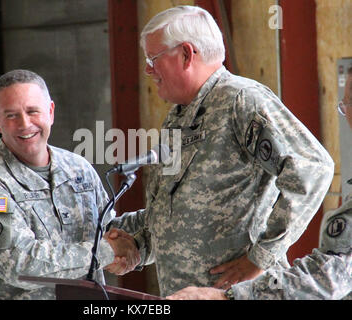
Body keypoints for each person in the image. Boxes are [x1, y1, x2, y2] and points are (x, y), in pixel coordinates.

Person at [106, 5, 335, 298]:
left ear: (187, 54)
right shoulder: (179, 116)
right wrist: (137, 246)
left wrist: (261, 257)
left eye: (153, 59)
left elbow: (312, 167)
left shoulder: (241, 100)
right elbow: (173, 214)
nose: (148, 69)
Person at [0, 69, 139, 299]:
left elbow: (109, 231)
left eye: (32, 111)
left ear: (50, 112)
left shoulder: (78, 169)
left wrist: (140, 240)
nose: (25, 124)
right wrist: (107, 252)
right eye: (11, 115)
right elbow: (18, 265)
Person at [167, 68, 352, 300]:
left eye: (349, 104)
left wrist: (233, 296)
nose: (346, 115)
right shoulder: (176, 118)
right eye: (343, 105)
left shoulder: (241, 99)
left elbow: (331, 274)